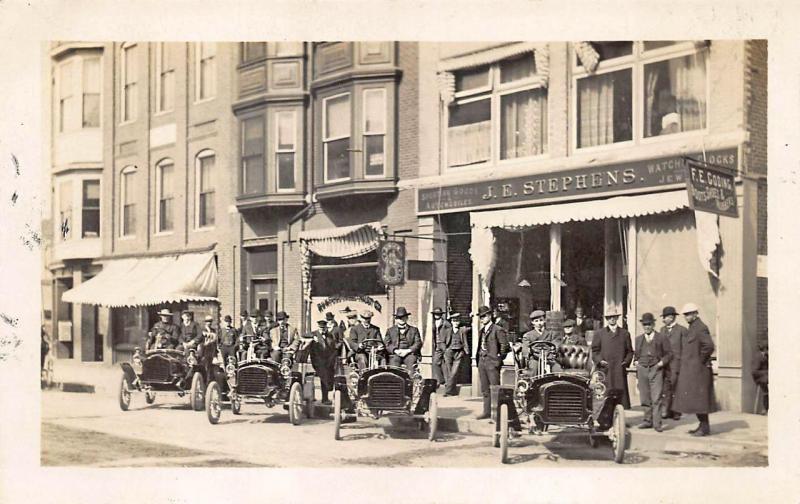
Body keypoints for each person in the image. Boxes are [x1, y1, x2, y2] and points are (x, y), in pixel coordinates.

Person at [673, 303, 716, 436]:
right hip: (692, 371)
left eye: (689, 314)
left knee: (700, 400)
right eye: (685, 315)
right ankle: (702, 426)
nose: (686, 317)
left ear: (696, 314)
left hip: (699, 372)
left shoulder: (701, 328)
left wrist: (700, 361)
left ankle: (704, 428)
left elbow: (708, 346)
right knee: (696, 400)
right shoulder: (693, 327)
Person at [634, 312, 672, 432]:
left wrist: (661, 363)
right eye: (645, 325)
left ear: (653, 324)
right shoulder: (638, 339)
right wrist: (636, 362)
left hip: (656, 369)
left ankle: (657, 423)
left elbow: (669, 354)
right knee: (645, 397)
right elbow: (636, 354)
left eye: (649, 324)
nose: (647, 327)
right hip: (642, 369)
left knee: (656, 398)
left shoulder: (661, 338)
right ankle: (647, 421)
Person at [591, 309, 634, 409]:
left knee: (620, 396)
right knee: (606, 395)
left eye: (614, 317)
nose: (612, 319)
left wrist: (625, 362)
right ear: (606, 319)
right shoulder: (600, 333)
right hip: (606, 369)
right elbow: (594, 351)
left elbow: (630, 351)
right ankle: (606, 420)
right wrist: (600, 361)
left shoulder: (624, 333)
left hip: (619, 369)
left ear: (617, 318)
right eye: (609, 317)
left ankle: (619, 418)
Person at [475, 305, 509, 420]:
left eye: (484, 316)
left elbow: (505, 346)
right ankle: (486, 411)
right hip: (482, 361)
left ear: (489, 316)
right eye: (481, 317)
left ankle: (497, 414)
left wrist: (498, 359)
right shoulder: (482, 331)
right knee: (485, 388)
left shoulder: (497, 329)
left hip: (492, 362)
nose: (482, 319)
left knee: (495, 388)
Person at [659, 306, 687, 420]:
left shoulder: (682, 330)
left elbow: (685, 348)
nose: (664, 320)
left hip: (676, 363)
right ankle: (667, 410)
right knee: (666, 387)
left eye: (665, 317)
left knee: (676, 387)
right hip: (665, 363)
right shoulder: (662, 330)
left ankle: (676, 412)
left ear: (671, 317)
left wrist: (683, 364)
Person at [304, 320, 338, 405]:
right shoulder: (314, 334)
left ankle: (326, 396)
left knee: (329, 375)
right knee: (324, 376)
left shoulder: (330, 335)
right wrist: (312, 337)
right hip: (317, 360)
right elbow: (304, 335)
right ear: (318, 327)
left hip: (328, 360)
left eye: (324, 328)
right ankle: (325, 398)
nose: (323, 330)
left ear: (326, 328)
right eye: (321, 328)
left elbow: (333, 347)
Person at [519, 310, 562, 376]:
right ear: (532, 322)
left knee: (557, 369)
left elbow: (556, 344)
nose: (539, 323)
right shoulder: (528, 335)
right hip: (535, 358)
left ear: (544, 320)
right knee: (533, 369)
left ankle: (557, 384)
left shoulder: (551, 334)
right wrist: (529, 352)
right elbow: (525, 348)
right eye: (536, 321)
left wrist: (553, 349)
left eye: (541, 320)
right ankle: (532, 384)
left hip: (548, 357)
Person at [443, 313, 470, 397]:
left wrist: (471, 316)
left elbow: (472, 326)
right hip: (449, 352)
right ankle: (453, 391)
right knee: (449, 372)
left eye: (457, 321)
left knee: (454, 372)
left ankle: (447, 391)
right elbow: (442, 341)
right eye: (454, 321)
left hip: (459, 352)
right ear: (451, 322)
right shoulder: (447, 330)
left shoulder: (463, 329)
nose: (456, 323)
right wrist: (445, 350)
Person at [430, 307, 450, 386]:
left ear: (441, 315)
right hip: (437, 345)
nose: (436, 316)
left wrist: (447, 342)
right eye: (435, 314)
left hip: (444, 344)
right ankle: (441, 380)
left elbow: (450, 333)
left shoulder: (446, 323)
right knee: (436, 363)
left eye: (438, 314)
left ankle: (447, 381)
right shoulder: (433, 323)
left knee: (446, 363)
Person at [751, 341, 768, 413]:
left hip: (765, 376)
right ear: (764, 349)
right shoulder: (758, 357)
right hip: (759, 378)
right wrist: (767, 372)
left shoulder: (766, 356)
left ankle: (766, 408)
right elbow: (754, 372)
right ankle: (765, 408)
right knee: (768, 387)